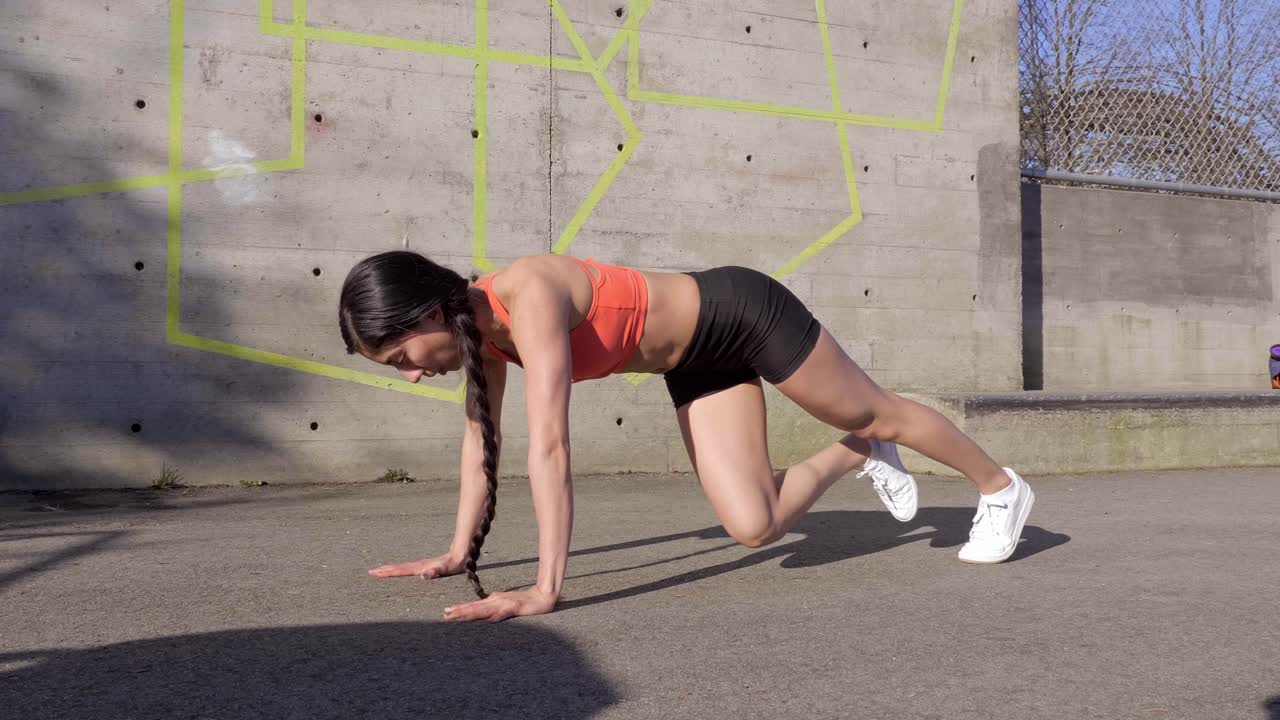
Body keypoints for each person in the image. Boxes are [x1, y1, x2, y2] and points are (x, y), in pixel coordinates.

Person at [338, 252, 1034, 622]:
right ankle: (861, 451)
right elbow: (477, 444)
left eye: (402, 358)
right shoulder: (479, 338)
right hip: (694, 362)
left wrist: (547, 589)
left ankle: (1000, 489)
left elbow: (548, 447)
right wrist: (459, 552)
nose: (409, 376)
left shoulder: (529, 296)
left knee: (873, 408)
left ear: (428, 312)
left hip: (741, 314)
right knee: (755, 526)